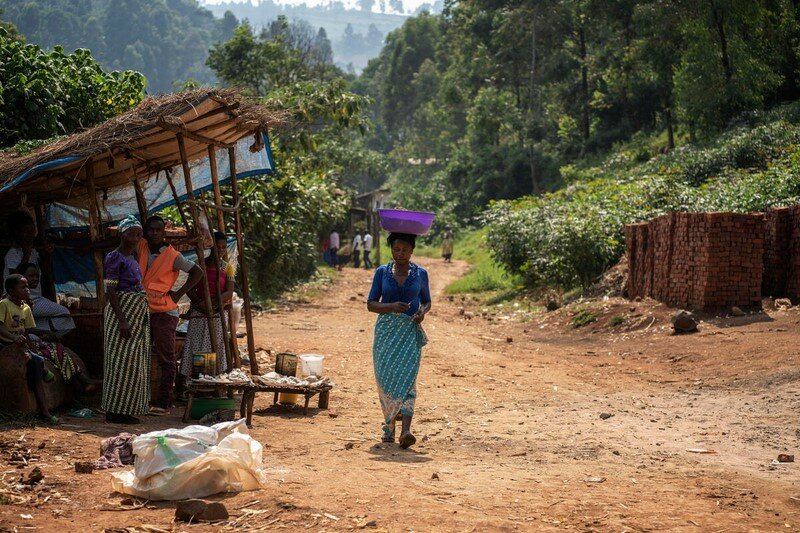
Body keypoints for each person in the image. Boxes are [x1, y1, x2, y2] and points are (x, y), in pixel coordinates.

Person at [366, 232, 431, 449]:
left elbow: (426, 302)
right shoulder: (381, 272)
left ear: (412, 250)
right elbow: (371, 304)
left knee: (408, 379)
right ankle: (389, 426)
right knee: (385, 379)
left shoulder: (421, 274)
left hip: (409, 331)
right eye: (396, 249)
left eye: (404, 250)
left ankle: (406, 431)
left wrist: (421, 313)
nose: (400, 253)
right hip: (386, 332)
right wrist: (391, 307)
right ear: (391, 250)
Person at [139, 215, 203, 416]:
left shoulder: (173, 255)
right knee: (141, 354)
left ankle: (164, 402)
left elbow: (197, 272)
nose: (154, 233)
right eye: (151, 230)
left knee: (166, 358)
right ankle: (142, 398)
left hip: (165, 312)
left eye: (158, 230)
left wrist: (178, 294)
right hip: (142, 309)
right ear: (145, 231)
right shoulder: (141, 246)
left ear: (164, 231)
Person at [103, 215, 151, 424]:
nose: (136, 237)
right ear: (122, 234)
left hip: (136, 313)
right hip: (122, 314)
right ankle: (114, 411)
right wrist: (122, 320)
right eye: (132, 233)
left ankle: (126, 408)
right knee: (119, 362)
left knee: (133, 363)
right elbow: (111, 290)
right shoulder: (114, 258)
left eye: (139, 234)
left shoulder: (132, 258)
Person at [0, 274, 59, 424]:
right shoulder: (4, 304)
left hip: (20, 345)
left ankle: (45, 411)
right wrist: (13, 338)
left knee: (37, 364)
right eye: (23, 287)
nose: (27, 289)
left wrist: (31, 347)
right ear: (11, 290)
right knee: (36, 361)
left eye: (27, 287)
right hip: (5, 344)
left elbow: (26, 331)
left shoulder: (26, 308)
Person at [179, 232, 234, 380]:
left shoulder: (227, 268)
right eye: (218, 246)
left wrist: (214, 303)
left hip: (216, 313)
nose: (221, 250)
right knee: (196, 346)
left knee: (213, 346)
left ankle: (209, 380)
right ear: (211, 246)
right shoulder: (199, 263)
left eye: (224, 247)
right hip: (199, 312)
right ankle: (194, 380)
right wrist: (199, 302)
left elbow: (229, 292)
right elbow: (189, 287)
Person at [19, 263, 75, 338]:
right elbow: (20, 327)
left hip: (27, 333)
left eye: (37, 276)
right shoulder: (18, 299)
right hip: (16, 337)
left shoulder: (28, 298)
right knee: (65, 313)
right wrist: (45, 332)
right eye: (31, 276)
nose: (35, 279)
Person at [3, 211, 54, 285]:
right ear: (17, 232)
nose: (30, 234)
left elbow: (46, 271)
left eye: (32, 230)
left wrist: (48, 255)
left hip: (34, 296)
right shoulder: (13, 253)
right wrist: (26, 256)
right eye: (26, 230)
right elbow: (13, 282)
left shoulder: (33, 251)